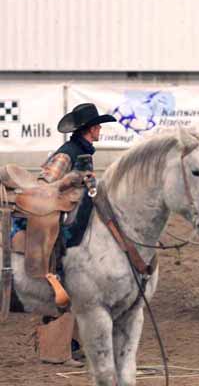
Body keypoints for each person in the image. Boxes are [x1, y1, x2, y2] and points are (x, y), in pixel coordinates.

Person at [36, 103, 116, 367]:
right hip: (62, 222)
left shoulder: (82, 152)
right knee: (65, 274)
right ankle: (63, 343)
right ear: (91, 129)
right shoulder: (68, 154)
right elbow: (44, 182)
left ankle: (72, 342)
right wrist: (68, 183)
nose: (101, 129)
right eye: (98, 126)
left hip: (74, 219)